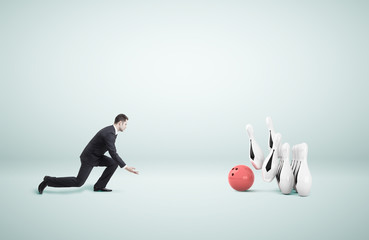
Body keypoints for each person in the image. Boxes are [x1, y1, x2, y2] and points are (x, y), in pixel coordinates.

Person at [38, 114, 138, 194]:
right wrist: (126, 167)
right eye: (125, 124)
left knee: (113, 163)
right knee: (79, 182)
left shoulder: (112, 131)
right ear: (120, 123)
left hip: (97, 156)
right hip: (89, 158)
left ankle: (99, 186)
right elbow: (113, 152)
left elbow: (112, 153)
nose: (126, 127)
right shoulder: (109, 133)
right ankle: (48, 181)